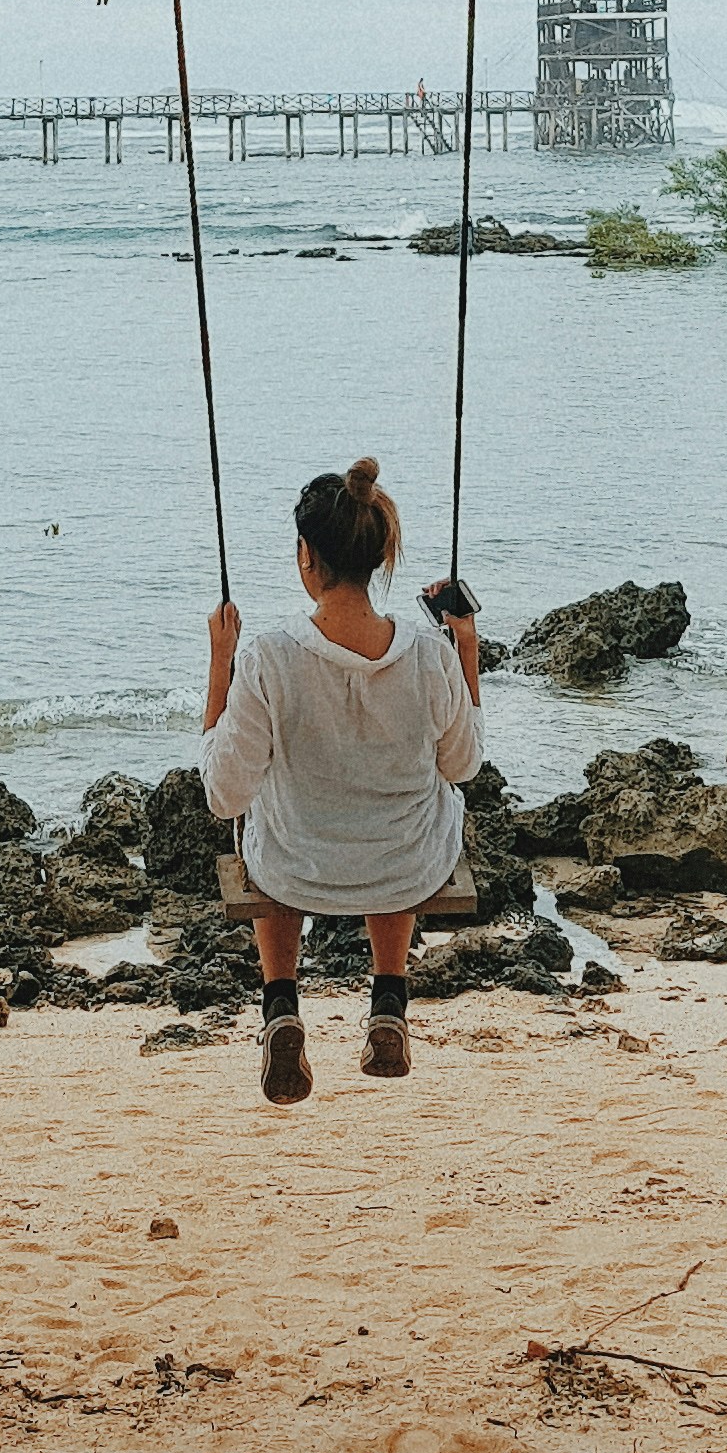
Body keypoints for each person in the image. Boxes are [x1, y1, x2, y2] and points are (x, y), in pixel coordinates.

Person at [198, 456, 484, 1103]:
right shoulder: (429, 652)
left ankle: (281, 1006)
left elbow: (224, 794)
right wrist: (466, 652)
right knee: (416, 800)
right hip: (407, 867)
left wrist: (221, 666)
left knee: (262, 804)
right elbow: (462, 766)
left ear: (307, 557)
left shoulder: (268, 657)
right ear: (382, 555)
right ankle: (388, 1000)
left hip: (295, 870)